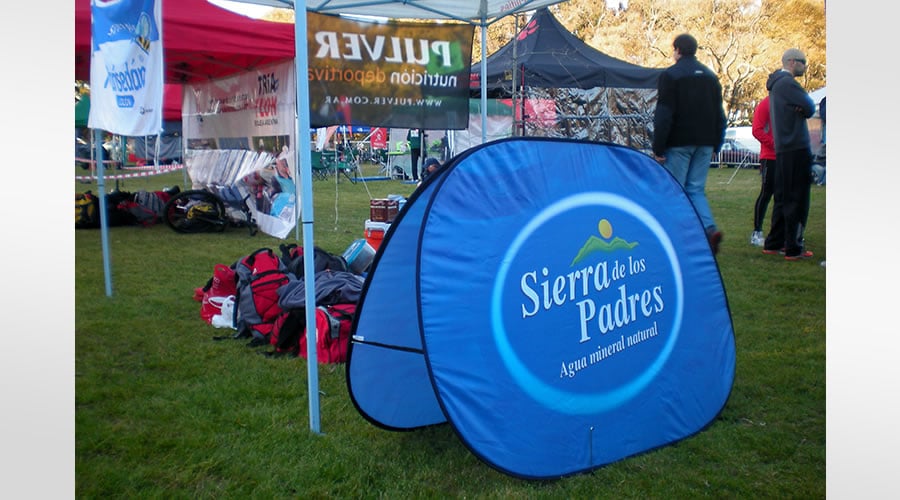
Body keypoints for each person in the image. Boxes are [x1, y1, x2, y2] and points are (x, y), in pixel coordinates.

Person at [652, 33, 727, 255]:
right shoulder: (711, 77)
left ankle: (675, 235)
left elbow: (664, 114)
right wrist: (716, 144)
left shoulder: (670, 75)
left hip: (679, 142)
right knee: (696, 189)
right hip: (705, 142)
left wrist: (658, 147)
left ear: (677, 50)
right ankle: (708, 229)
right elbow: (719, 114)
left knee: (675, 189)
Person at [762, 48, 816, 261]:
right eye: (803, 62)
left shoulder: (776, 84)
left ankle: (774, 242)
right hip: (796, 146)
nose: (805, 66)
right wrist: (801, 109)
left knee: (783, 196)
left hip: (783, 148)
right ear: (792, 62)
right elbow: (809, 107)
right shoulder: (788, 83)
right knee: (798, 198)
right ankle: (793, 246)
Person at [749, 96, 776, 246]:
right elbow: (756, 130)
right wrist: (773, 144)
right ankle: (757, 231)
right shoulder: (766, 104)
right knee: (766, 193)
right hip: (770, 156)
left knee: (782, 195)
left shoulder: (786, 102)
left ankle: (779, 233)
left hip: (784, 156)